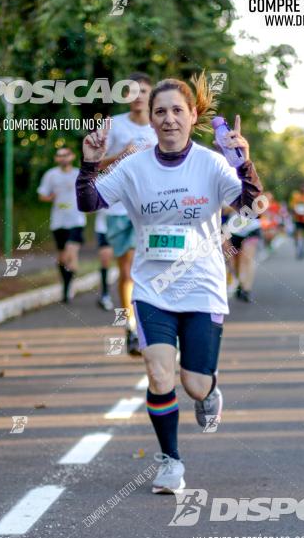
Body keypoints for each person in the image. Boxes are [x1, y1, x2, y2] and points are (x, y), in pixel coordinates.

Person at [77, 73, 264, 493]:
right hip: (152, 288)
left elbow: (253, 208)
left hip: (202, 287)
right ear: (151, 119)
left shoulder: (212, 163)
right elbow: (88, 201)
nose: (168, 119)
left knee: (193, 384)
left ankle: (210, 390)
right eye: (160, 111)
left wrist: (244, 163)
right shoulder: (134, 167)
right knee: (159, 374)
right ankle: (170, 462)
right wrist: (90, 162)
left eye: (177, 110)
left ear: (193, 115)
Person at [97, 72, 157, 355]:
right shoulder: (114, 126)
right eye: (132, 91)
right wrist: (122, 154)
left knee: (149, 266)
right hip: (119, 209)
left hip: (153, 208)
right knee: (127, 270)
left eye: (143, 91)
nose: (138, 96)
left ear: (151, 94)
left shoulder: (161, 124)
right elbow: (96, 166)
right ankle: (130, 327)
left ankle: (152, 322)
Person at [37, 146, 86, 304]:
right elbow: (42, 195)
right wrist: (50, 197)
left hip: (76, 220)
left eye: (66, 155)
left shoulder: (79, 174)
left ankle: (67, 290)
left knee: (71, 253)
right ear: (56, 159)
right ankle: (67, 283)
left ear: (72, 156)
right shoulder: (51, 175)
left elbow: (89, 192)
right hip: (59, 221)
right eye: (59, 155)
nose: (63, 158)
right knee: (62, 258)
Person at [222, 206, 260, 303]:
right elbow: (223, 211)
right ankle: (240, 282)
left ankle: (247, 289)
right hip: (232, 229)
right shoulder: (226, 191)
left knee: (247, 259)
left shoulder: (253, 191)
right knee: (232, 261)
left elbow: (258, 207)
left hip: (251, 228)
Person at [94, 210, 114, 310]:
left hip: (126, 226)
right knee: (105, 260)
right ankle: (105, 294)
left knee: (126, 270)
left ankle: (127, 316)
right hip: (104, 227)